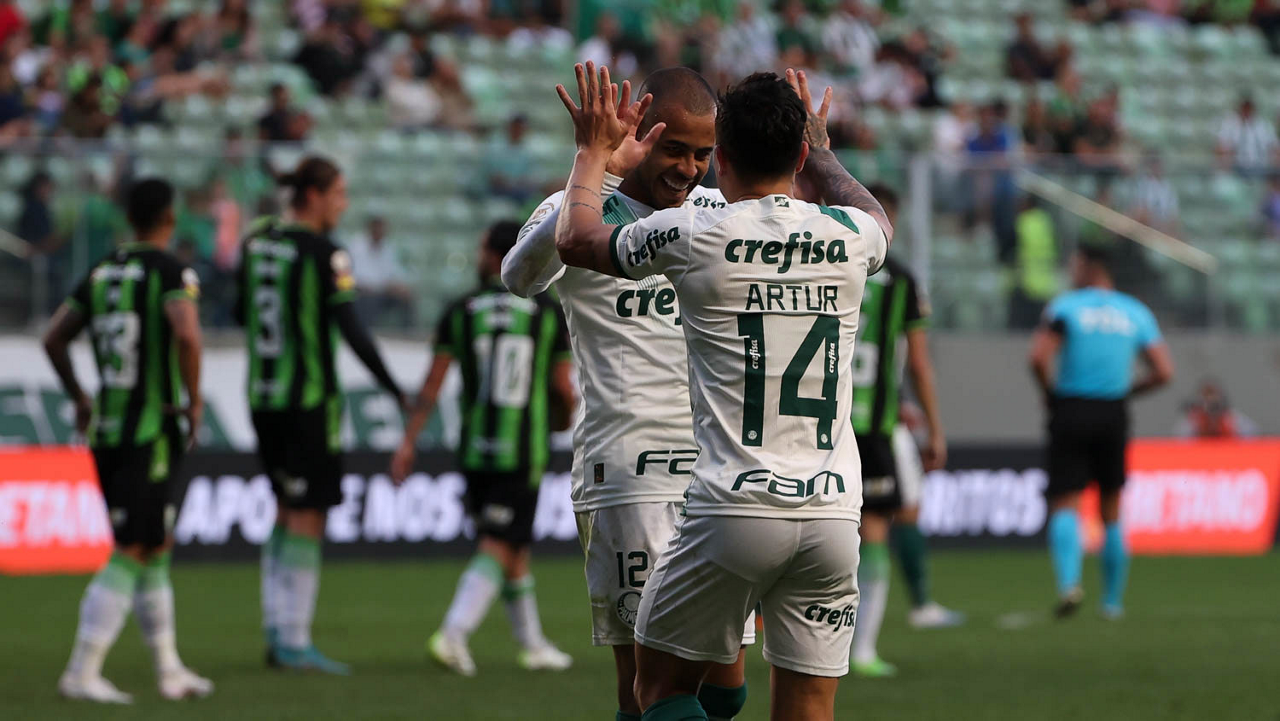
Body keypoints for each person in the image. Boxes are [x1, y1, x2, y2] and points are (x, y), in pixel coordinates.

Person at [556, 64, 892, 720]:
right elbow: (877, 214)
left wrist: (594, 153)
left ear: (723, 159)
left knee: (659, 689)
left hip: (734, 506)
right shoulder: (851, 235)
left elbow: (574, 239)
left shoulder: (695, 233)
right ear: (799, 156)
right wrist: (824, 151)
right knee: (806, 706)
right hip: (832, 513)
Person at [501, 66, 756, 721]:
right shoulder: (584, 206)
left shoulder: (713, 212)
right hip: (628, 472)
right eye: (675, 149)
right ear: (640, 132)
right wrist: (598, 167)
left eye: (703, 153)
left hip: (717, 468)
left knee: (725, 688)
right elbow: (519, 276)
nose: (689, 168)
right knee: (648, 686)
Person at [235, 156, 407, 673]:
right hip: (309, 401)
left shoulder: (256, 242)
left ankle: (276, 631)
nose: (343, 204)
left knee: (285, 508)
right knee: (309, 514)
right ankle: (294, 641)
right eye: (338, 194)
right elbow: (351, 329)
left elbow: (241, 312)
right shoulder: (325, 253)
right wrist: (393, 388)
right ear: (312, 196)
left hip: (263, 396)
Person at [44, 178, 212, 703]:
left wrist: (80, 396)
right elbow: (186, 332)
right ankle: (81, 671)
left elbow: (54, 337)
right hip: (149, 430)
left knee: (156, 542)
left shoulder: (100, 271)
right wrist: (194, 399)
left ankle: (169, 669)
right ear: (170, 218)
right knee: (135, 545)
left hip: (108, 427)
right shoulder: (170, 271)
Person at [390, 221, 576, 676]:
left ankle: (532, 644)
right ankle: (453, 635)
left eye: (480, 249)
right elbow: (563, 388)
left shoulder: (461, 309)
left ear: (496, 255)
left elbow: (432, 384)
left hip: (475, 450)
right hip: (522, 450)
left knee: (513, 546)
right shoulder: (546, 312)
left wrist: (408, 441)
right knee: (500, 543)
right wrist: (562, 419)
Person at [818, 184, 960, 678]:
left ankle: (774, 629)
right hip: (872, 426)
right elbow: (918, 364)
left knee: (801, 526)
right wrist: (935, 429)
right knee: (873, 531)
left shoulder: (820, 260)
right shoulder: (899, 278)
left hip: (815, 420)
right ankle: (862, 650)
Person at [1028, 244, 1174, 620]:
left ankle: (1069, 585)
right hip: (1113, 412)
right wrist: (1127, 391)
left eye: (1074, 264)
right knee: (1111, 507)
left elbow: (1038, 357)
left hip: (1071, 408)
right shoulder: (1135, 311)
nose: (1071, 271)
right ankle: (1111, 603)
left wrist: (1050, 394)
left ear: (1088, 267)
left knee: (1066, 501)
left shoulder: (1066, 307)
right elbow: (1163, 371)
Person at [1174, 379, 1258, 438]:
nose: (1211, 414)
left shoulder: (1235, 421)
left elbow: (1254, 440)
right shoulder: (1190, 425)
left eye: (1215, 407)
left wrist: (1230, 432)